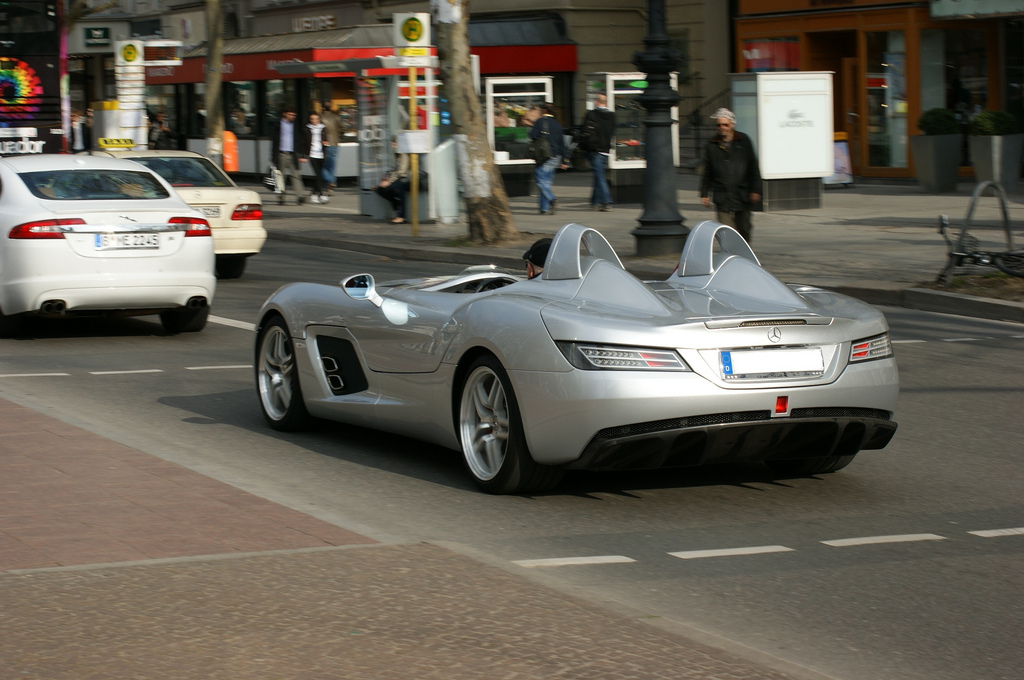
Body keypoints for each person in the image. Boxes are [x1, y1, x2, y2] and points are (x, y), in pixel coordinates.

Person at [699, 107, 762, 243]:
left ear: (732, 125)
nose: (722, 128)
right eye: (719, 125)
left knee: (744, 229)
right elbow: (707, 171)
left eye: (725, 125)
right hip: (722, 196)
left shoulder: (744, 141)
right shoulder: (712, 145)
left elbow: (753, 166)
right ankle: (732, 257)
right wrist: (704, 193)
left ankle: (745, 257)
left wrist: (756, 190)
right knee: (727, 231)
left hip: (742, 194)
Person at [578, 93, 616, 211]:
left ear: (597, 102)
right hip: (605, 149)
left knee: (599, 177)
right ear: (606, 103)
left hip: (594, 149)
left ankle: (606, 201)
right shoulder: (612, 116)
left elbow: (583, 131)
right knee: (598, 175)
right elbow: (612, 131)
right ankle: (594, 202)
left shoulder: (591, 114)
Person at [529, 102, 568, 215]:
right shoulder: (558, 124)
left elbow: (532, 135)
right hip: (555, 157)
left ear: (545, 110)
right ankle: (544, 208)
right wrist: (565, 160)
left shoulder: (540, 122)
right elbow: (562, 144)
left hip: (543, 156)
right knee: (547, 182)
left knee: (540, 181)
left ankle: (551, 199)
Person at [270, 107, 306, 205]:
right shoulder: (278, 125)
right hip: (281, 154)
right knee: (280, 177)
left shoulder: (295, 126)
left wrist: (302, 154)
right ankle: (281, 197)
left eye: (294, 115)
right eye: (290, 114)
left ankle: (300, 197)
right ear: (284, 114)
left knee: (296, 176)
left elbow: (300, 140)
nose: (292, 117)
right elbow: (274, 142)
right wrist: (273, 157)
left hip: (293, 154)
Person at [375, 142, 410, 224]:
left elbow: (402, 172)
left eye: (394, 144)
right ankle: (396, 203)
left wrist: (389, 181)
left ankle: (401, 216)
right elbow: (394, 170)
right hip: (397, 178)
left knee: (397, 188)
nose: (392, 146)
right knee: (380, 189)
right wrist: (387, 178)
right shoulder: (396, 155)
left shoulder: (404, 156)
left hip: (405, 179)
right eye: (392, 144)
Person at [300, 112, 328, 204]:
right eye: (312, 119)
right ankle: (322, 194)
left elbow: (326, 139)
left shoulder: (323, 128)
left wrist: (325, 143)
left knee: (320, 175)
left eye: (316, 118)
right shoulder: (306, 129)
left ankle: (314, 194)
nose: (314, 121)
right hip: (312, 154)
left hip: (321, 154)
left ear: (319, 119)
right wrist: (303, 156)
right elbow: (303, 143)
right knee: (318, 175)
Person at [319, 100, 342, 195]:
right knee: (332, 166)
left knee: (322, 167)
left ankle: (330, 180)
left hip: (325, 144)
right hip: (335, 143)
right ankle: (330, 187)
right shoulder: (336, 117)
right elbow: (343, 128)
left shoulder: (320, 117)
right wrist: (339, 136)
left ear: (322, 108)